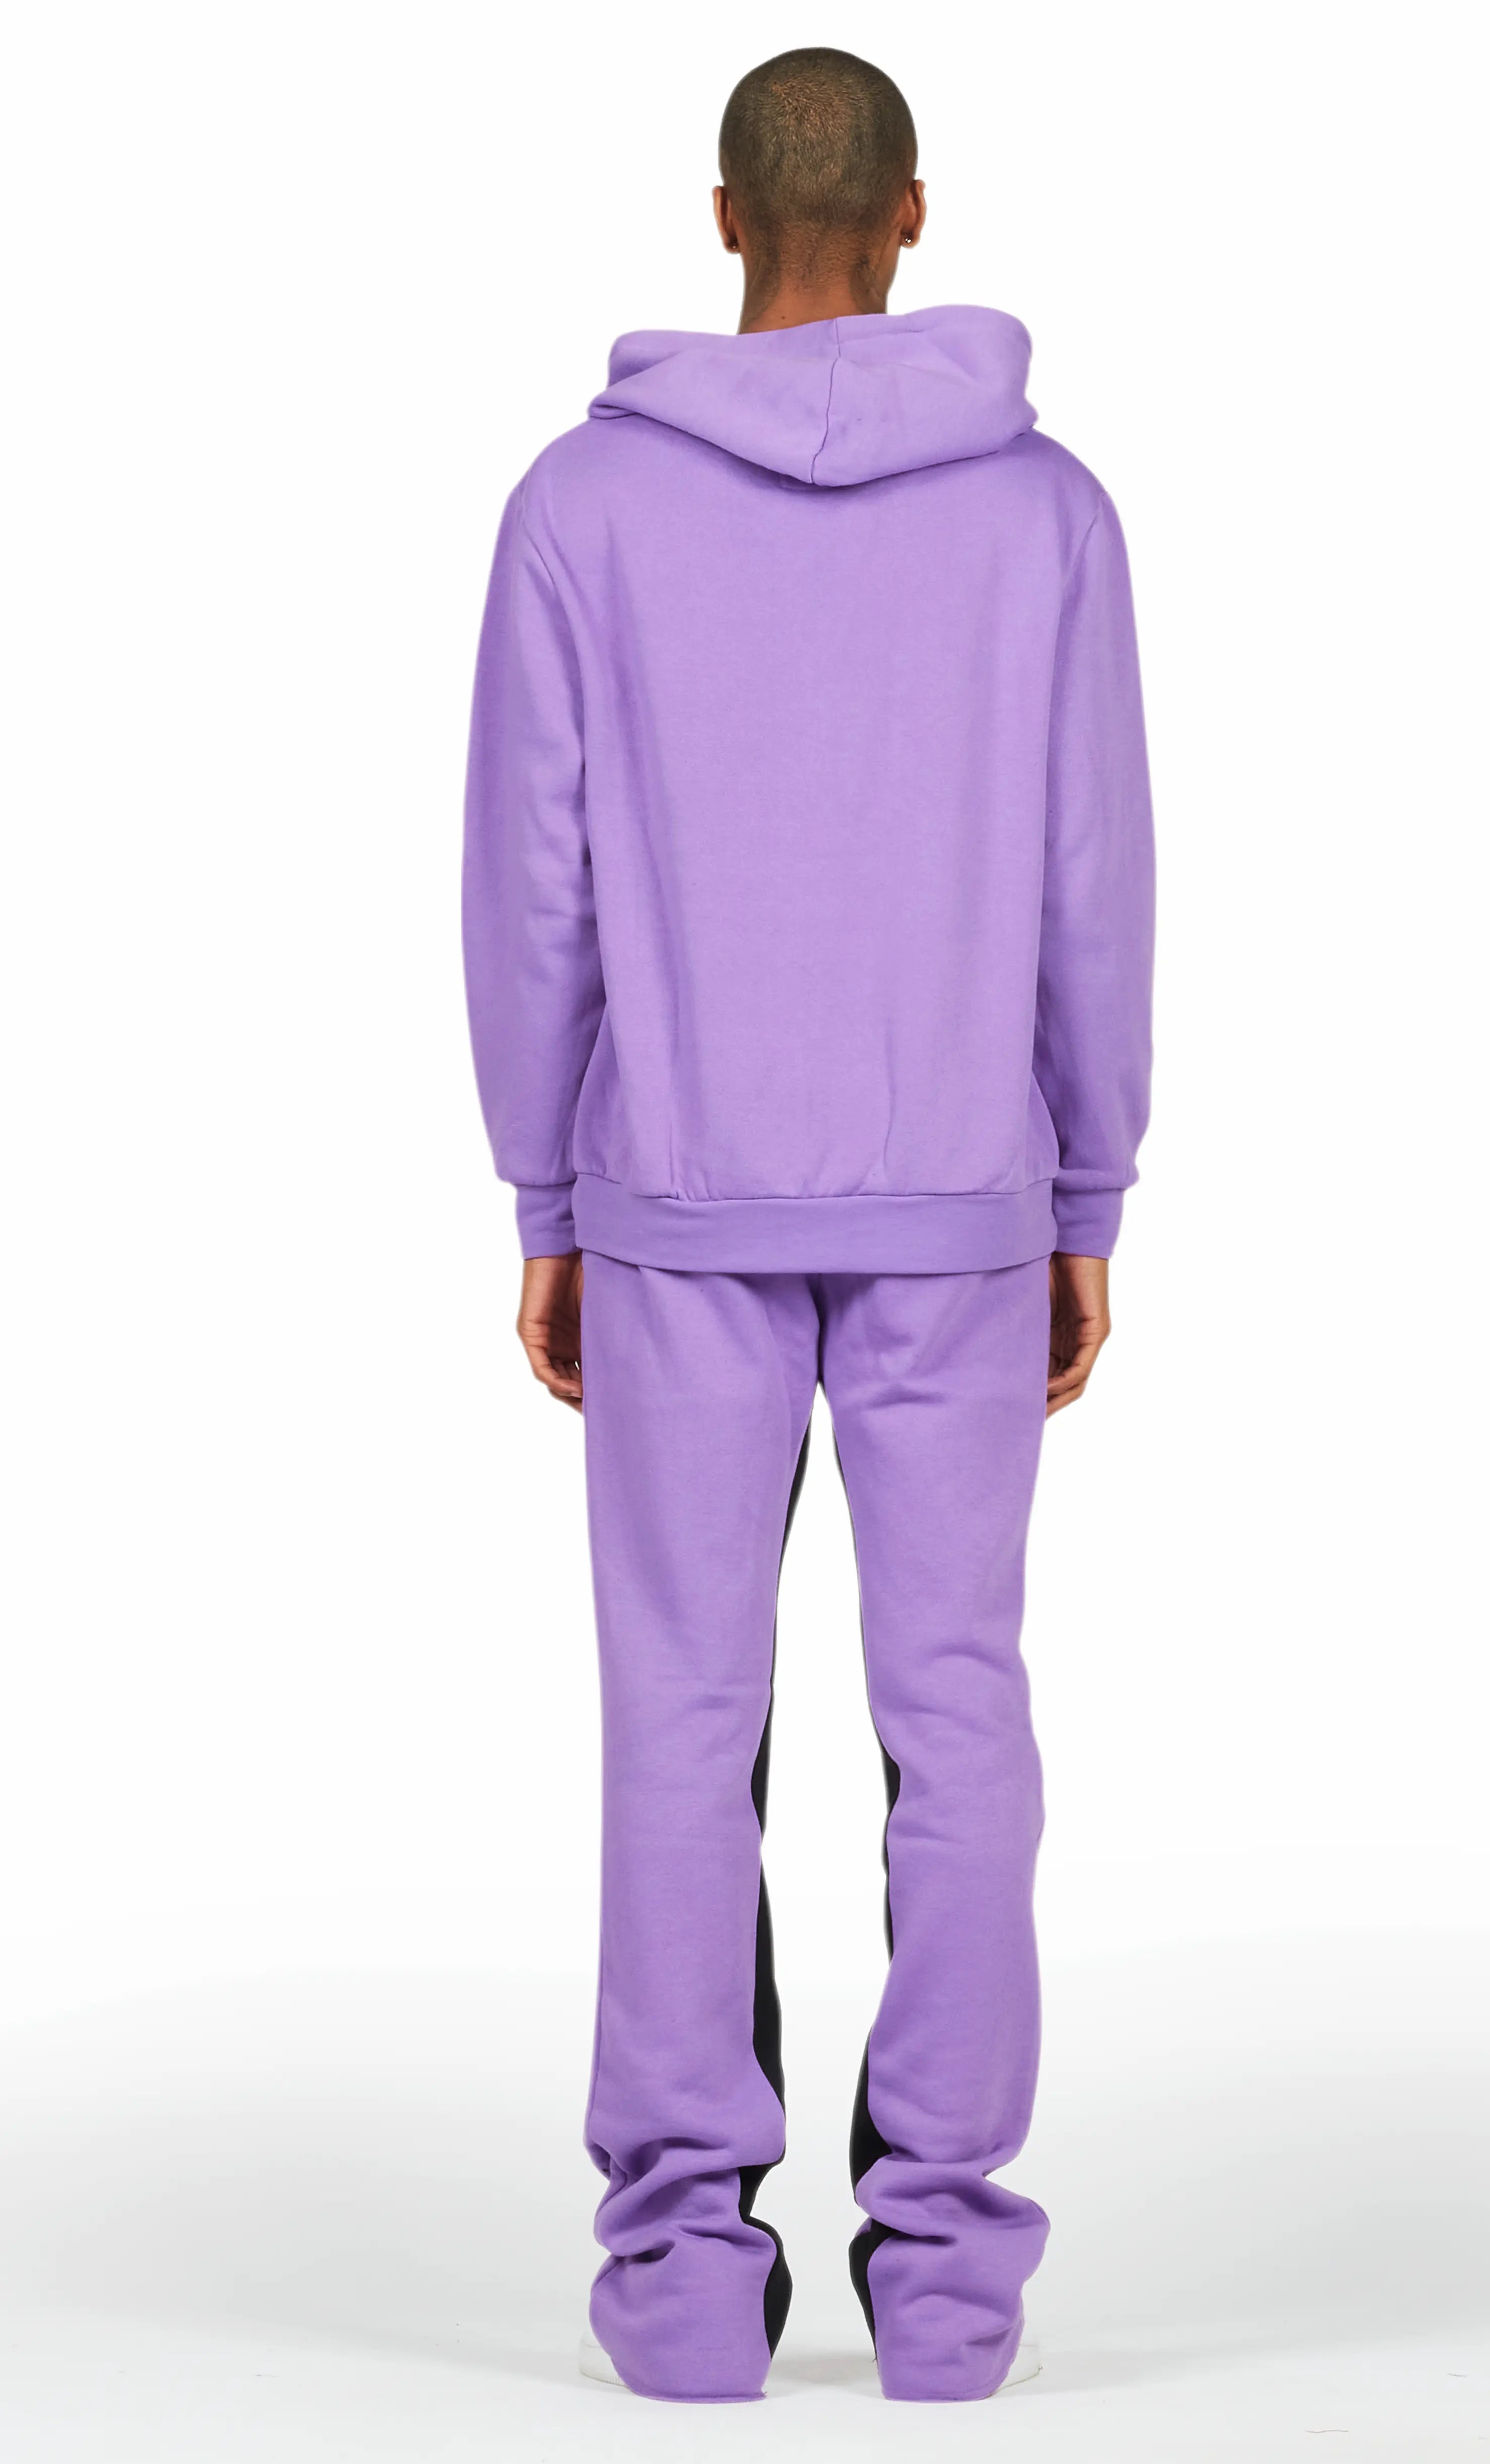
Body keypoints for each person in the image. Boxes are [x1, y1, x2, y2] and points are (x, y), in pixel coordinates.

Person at [462, 45, 1154, 2406]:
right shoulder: (1046, 514)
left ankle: (679, 2285)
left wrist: (544, 1185)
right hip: (962, 1196)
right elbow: (1088, 873)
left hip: (672, 1199)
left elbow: (528, 883)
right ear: (912, 217)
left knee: (681, 1716)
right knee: (957, 1720)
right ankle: (945, 2290)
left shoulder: (579, 507)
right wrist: (1084, 1182)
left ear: (722, 216)